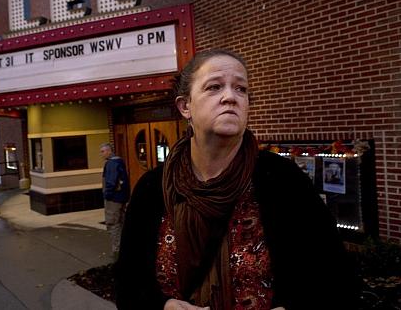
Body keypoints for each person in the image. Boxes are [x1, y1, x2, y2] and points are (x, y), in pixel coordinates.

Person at [115, 49, 359, 309]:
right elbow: (128, 285)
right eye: (214, 87)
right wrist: (162, 306)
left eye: (241, 89)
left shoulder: (283, 181)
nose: (230, 97)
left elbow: (337, 278)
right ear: (185, 106)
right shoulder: (153, 188)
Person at [100, 143, 130, 258]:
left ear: (109, 151)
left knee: (113, 223)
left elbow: (111, 182)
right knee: (121, 222)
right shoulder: (120, 162)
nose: (101, 154)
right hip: (122, 198)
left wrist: (107, 195)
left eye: (103, 151)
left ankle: (117, 251)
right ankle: (124, 248)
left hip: (113, 199)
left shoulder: (111, 164)